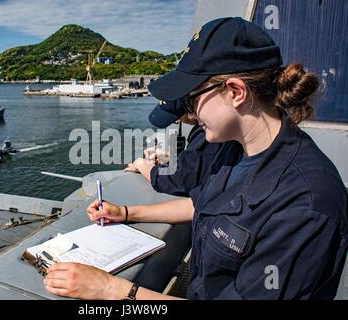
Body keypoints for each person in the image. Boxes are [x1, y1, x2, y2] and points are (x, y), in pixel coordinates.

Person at [44, 17, 348, 300]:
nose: (189, 112)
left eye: (192, 98)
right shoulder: (236, 149)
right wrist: (125, 211)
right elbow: (202, 203)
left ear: (235, 92)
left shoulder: (305, 205)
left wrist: (113, 290)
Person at [125, 99, 223, 197]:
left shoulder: (208, 132)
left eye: (176, 118)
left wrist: (142, 165)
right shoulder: (205, 128)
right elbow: (201, 159)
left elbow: (181, 181)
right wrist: (168, 155)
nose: (178, 121)